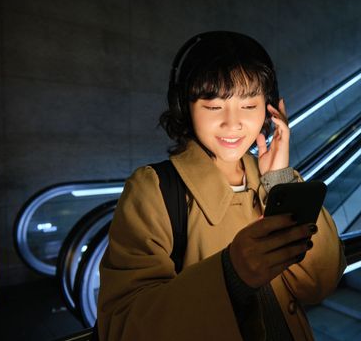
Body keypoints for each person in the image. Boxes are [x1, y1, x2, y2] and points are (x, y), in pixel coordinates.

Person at [97, 31, 346, 340]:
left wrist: (279, 179)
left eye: (249, 106)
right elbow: (122, 326)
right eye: (214, 107)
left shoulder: (274, 182)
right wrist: (231, 276)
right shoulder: (153, 190)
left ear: (270, 110)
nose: (232, 123)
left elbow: (320, 283)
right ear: (184, 106)